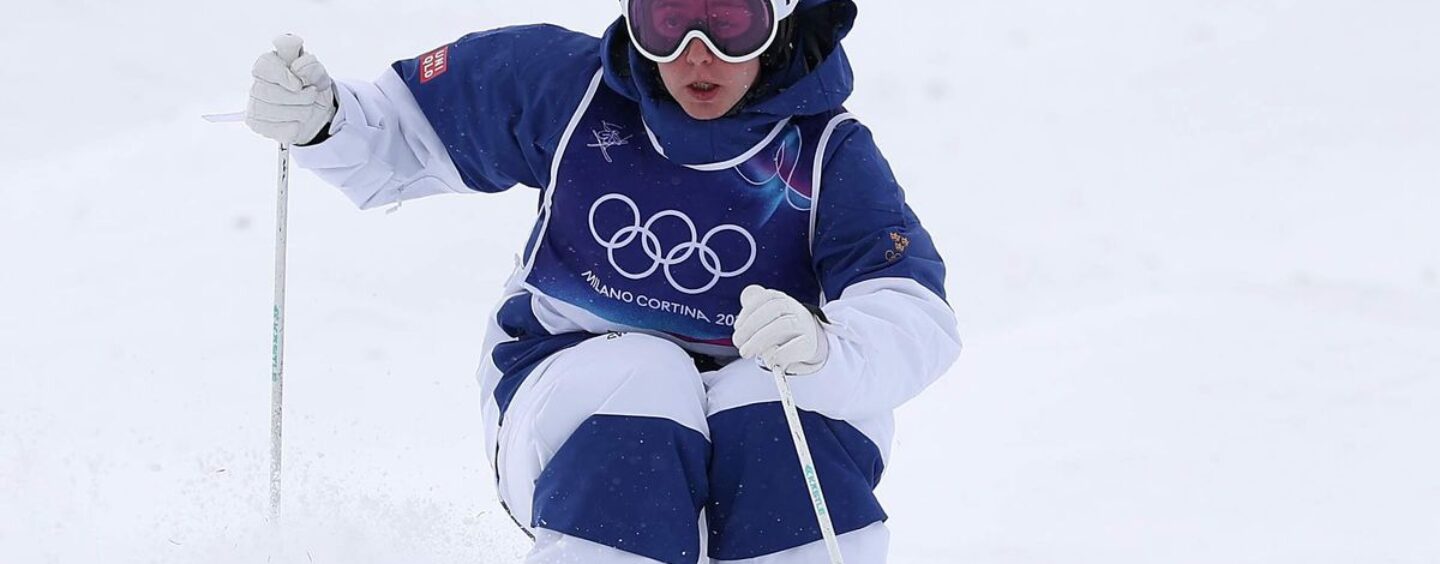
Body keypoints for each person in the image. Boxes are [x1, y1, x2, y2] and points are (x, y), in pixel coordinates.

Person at [243, 0, 961, 562]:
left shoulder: (827, 155)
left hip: (770, 411)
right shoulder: (572, 91)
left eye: (731, 25)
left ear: (779, 22)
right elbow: (403, 130)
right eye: (667, 22)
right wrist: (325, 120)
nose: (695, 56)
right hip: (576, 390)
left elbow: (913, 313)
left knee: (768, 398)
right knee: (642, 379)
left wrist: (826, 353)